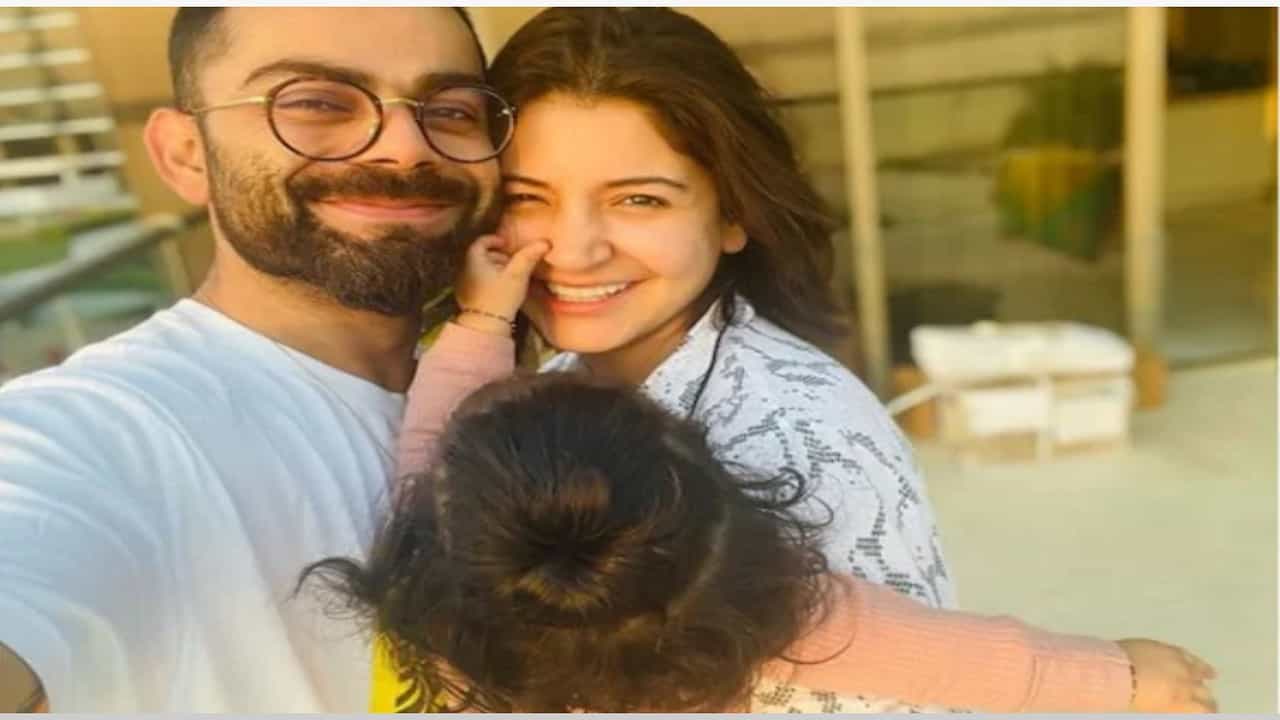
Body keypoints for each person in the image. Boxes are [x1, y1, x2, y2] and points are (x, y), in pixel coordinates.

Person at [381, 6, 1218, 713]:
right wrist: (479, 324)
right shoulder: (558, 387)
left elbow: (870, 647)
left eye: (638, 199)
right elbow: (432, 490)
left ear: (733, 214)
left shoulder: (789, 440)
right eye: (528, 198)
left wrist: (1102, 677)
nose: (574, 249)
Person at [312, 234, 1218, 713]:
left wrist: (480, 321)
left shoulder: (441, 595)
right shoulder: (780, 616)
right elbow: (979, 664)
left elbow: (427, 442)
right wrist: (1130, 677)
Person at [0, 7, 509, 712]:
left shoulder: (530, 378)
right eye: (317, 102)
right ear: (186, 154)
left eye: (451, 111)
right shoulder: (95, 433)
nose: (405, 148)